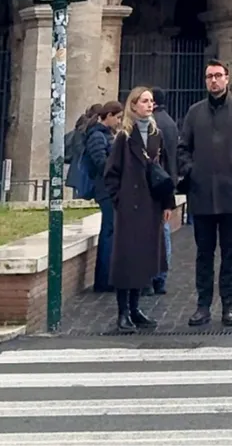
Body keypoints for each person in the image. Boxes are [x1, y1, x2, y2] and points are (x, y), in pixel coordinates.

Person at [178, 60, 232, 328]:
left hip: (231, 193)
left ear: (227, 78)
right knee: (203, 254)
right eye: (209, 76)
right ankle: (203, 305)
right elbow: (182, 147)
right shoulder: (194, 112)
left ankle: (229, 304)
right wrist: (192, 170)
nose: (213, 81)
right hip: (201, 194)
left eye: (218, 76)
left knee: (230, 253)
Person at [104, 86, 174, 333]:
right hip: (130, 207)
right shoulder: (123, 137)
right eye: (144, 101)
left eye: (151, 101)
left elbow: (164, 171)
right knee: (127, 261)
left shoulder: (157, 135)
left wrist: (167, 203)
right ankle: (123, 312)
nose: (149, 105)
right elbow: (111, 173)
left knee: (144, 260)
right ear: (133, 105)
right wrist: (119, 200)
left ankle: (135, 309)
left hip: (151, 205)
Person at [84, 100, 122, 292]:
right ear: (109, 116)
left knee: (110, 230)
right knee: (109, 231)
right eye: (118, 117)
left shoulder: (103, 135)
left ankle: (107, 277)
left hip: (108, 188)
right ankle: (104, 279)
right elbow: (101, 162)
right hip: (105, 189)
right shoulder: (98, 136)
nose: (119, 122)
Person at [150, 88, 179, 295]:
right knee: (165, 230)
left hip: (154, 181)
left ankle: (152, 276)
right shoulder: (170, 122)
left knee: (155, 231)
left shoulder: (153, 124)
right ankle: (161, 277)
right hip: (168, 178)